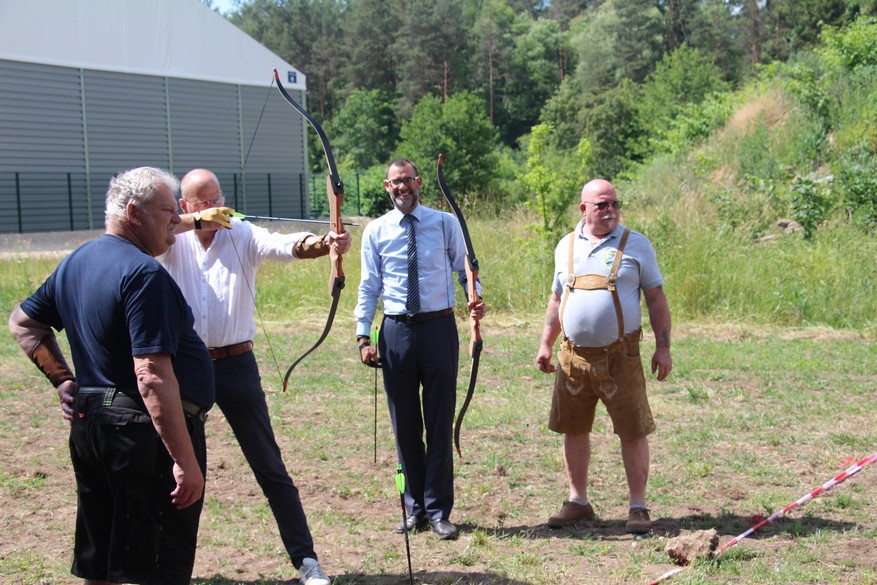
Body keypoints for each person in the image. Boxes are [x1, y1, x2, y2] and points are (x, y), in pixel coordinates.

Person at [8, 166, 215, 584]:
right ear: (134, 213)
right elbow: (151, 376)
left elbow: (22, 323)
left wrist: (64, 380)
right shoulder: (144, 275)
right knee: (154, 565)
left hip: (96, 426)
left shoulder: (77, 261)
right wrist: (183, 460)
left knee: (103, 559)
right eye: (166, 210)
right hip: (142, 437)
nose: (177, 219)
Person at [156, 168, 350, 585]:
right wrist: (196, 221)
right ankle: (169, 570)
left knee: (269, 465)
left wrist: (324, 244)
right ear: (185, 205)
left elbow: (282, 245)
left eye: (217, 199)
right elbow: (157, 228)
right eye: (203, 202)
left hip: (236, 364)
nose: (214, 207)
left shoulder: (240, 231)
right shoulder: (171, 239)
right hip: (187, 366)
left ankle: (307, 562)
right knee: (180, 468)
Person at [355, 159, 486, 541]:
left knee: (440, 420)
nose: (403, 187)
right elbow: (369, 285)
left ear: (420, 182)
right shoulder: (376, 230)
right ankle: (414, 509)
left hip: (438, 328)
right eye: (396, 182)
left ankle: (439, 510)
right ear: (387, 186)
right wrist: (363, 335)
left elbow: (466, 270)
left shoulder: (445, 223)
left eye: (408, 181)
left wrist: (475, 297)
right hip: (396, 331)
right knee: (405, 424)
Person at [536, 178, 672, 534]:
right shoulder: (565, 246)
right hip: (572, 357)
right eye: (602, 205)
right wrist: (546, 343)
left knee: (633, 429)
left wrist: (663, 348)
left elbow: (656, 299)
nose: (610, 210)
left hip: (621, 357)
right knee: (573, 428)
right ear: (584, 209)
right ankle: (578, 501)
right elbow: (556, 298)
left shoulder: (636, 244)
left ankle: (638, 507)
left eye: (614, 203)